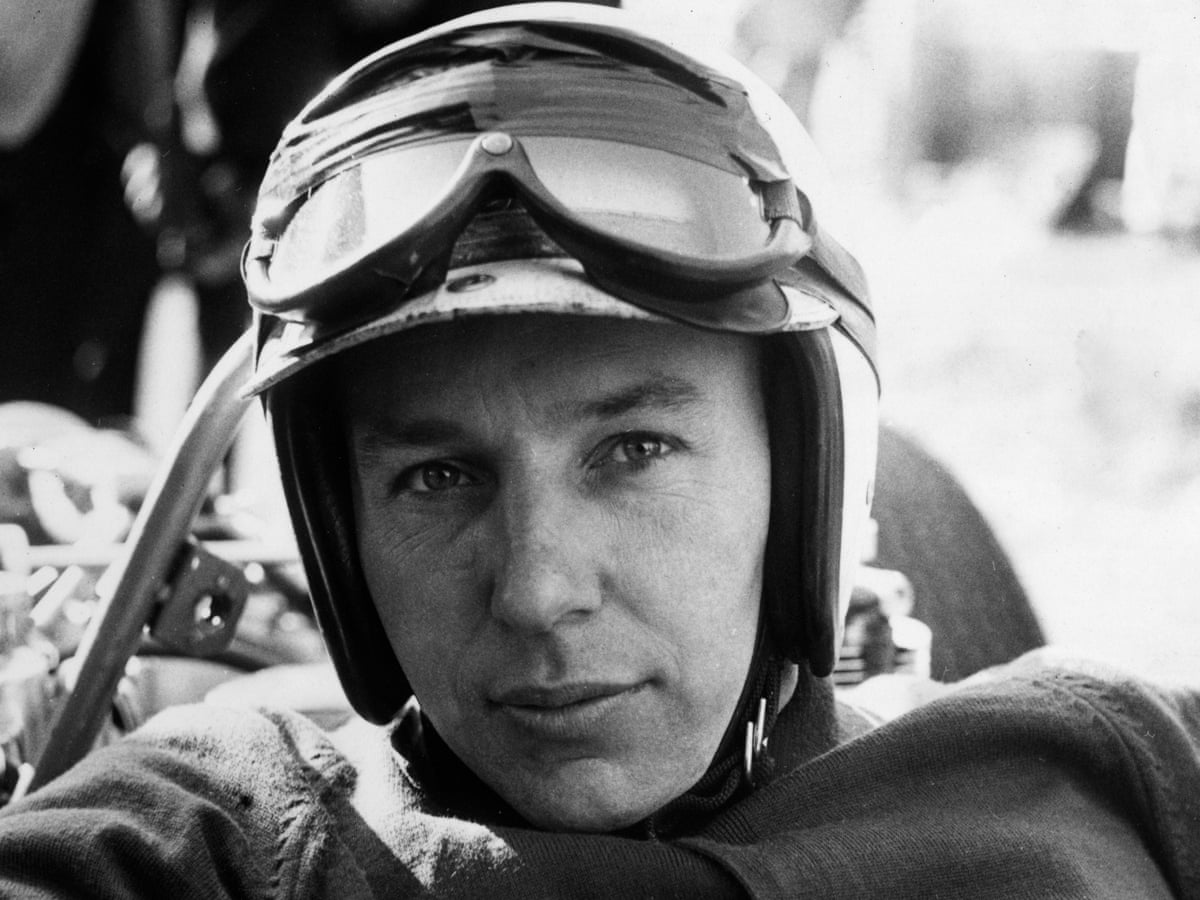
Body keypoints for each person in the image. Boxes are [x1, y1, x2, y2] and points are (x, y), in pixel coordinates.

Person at [0, 5, 1199, 897]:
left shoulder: (1109, 765)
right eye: (436, 477)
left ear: (808, 484)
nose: (536, 592)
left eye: (634, 450)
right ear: (341, 532)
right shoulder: (224, 835)